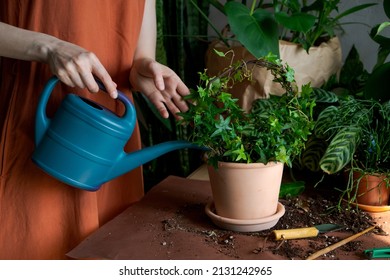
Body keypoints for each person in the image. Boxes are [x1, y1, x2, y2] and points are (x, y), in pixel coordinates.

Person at [0, 0, 189, 259]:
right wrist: (49, 47)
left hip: (110, 143)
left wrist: (141, 67)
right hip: (37, 134)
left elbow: (137, 52)